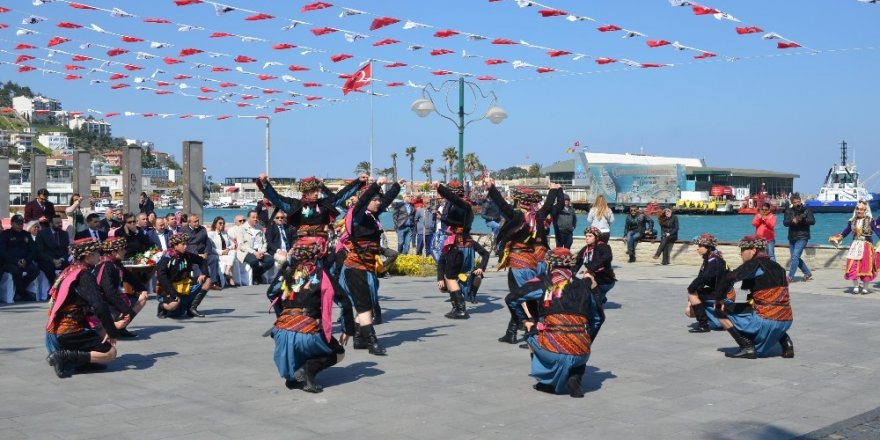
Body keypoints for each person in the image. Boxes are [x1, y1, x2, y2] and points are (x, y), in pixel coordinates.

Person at [270, 236, 357, 393]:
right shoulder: (320, 274)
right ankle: (307, 371)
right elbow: (344, 301)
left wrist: (281, 318)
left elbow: (271, 294)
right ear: (317, 254)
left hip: (280, 331)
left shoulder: (287, 270)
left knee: (298, 341)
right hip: (306, 332)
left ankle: (293, 377)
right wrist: (348, 329)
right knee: (337, 352)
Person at [520, 248, 605, 397]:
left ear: (550, 264)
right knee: (579, 341)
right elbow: (599, 318)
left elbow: (518, 298)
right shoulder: (583, 286)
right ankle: (575, 377)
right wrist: (588, 338)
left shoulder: (544, 283)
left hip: (553, 348)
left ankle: (546, 382)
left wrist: (527, 321)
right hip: (582, 352)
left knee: (532, 333)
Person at [487, 179, 562, 344]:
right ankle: (512, 332)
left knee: (518, 298)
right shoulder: (538, 216)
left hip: (518, 262)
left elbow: (502, 205)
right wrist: (554, 191)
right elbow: (548, 206)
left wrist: (491, 188)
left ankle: (531, 332)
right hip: (531, 260)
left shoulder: (518, 216)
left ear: (520, 201)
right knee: (527, 297)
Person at [337, 177, 401, 356]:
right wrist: (376, 185)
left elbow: (385, 200)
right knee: (365, 307)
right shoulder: (358, 215)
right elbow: (365, 200)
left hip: (367, 267)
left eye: (378, 199)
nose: (378, 202)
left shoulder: (372, 215)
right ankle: (372, 342)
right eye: (374, 199)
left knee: (367, 304)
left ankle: (359, 339)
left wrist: (397, 186)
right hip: (355, 268)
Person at [707, 236, 794, 359]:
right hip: (786, 320)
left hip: (767, 320)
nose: (740, 254)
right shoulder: (778, 267)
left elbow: (729, 278)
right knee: (771, 307)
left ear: (753, 250)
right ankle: (787, 344)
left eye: (742, 250)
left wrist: (719, 299)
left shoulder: (755, 264)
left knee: (720, 310)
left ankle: (747, 347)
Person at [45, 238, 120, 378]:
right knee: (110, 353)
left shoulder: (69, 270)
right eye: (97, 252)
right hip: (68, 331)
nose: (100, 255)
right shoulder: (84, 275)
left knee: (99, 331)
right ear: (88, 256)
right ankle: (64, 356)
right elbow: (99, 305)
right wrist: (112, 331)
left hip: (54, 330)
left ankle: (83, 362)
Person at [435, 181, 489, 317]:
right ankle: (457, 307)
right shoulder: (466, 206)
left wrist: (440, 188)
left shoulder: (461, 205)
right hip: (464, 241)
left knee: (450, 277)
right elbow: (458, 224)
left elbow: (456, 223)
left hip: (457, 244)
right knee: (450, 275)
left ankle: (460, 308)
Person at [94, 237, 148, 338]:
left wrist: (142, 289)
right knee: (125, 308)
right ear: (114, 252)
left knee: (142, 298)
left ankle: (121, 327)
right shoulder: (106, 265)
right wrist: (124, 309)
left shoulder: (115, 263)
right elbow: (109, 292)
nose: (125, 251)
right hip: (105, 304)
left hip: (112, 299)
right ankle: (113, 328)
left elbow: (129, 276)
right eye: (122, 249)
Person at [155, 233, 213, 319]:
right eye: (183, 244)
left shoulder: (187, 255)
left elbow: (201, 260)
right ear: (175, 246)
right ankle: (162, 307)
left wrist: (204, 274)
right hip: (169, 289)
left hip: (185, 285)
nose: (186, 246)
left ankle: (192, 308)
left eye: (186, 244)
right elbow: (162, 278)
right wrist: (173, 294)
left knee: (207, 281)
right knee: (174, 308)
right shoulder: (166, 258)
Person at [685, 234, 733, 333]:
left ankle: (703, 325)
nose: (697, 249)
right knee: (690, 310)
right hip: (721, 291)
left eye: (700, 246)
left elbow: (704, 278)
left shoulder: (714, 261)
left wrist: (691, 290)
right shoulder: (711, 258)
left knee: (692, 294)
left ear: (708, 247)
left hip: (724, 294)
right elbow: (701, 278)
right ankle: (714, 319)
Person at [829, 200, 878, 294]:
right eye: (857, 209)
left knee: (865, 266)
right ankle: (855, 286)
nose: (859, 211)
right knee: (852, 265)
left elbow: (877, 231)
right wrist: (837, 238)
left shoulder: (871, 221)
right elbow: (846, 232)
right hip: (855, 245)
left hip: (867, 246)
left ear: (865, 210)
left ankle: (865, 287)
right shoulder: (852, 221)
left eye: (861, 209)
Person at [0, 215, 39, 301]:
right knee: (16, 271)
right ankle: (22, 292)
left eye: (21, 224)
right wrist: (15, 261)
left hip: (25, 261)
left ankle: (19, 290)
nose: (20, 225)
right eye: (18, 224)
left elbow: (32, 250)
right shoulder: (5, 234)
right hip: (10, 262)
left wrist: (26, 260)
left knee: (35, 270)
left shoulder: (26, 234)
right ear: (12, 223)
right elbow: (3, 252)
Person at [574, 227, 616, 304]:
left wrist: (589, 268)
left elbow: (606, 258)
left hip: (603, 279)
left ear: (596, 237)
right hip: (592, 275)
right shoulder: (586, 248)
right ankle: (598, 297)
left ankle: (598, 297)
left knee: (594, 303)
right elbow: (578, 261)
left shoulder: (603, 247)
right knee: (575, 278)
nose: (587, 238)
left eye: (590, 236)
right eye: (586, 236)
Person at [234, 210, 274, 285]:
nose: (255, 219)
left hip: (259, 251)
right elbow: (241, 245)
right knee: (254, 261)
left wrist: (261, 251)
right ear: (248, 218)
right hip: (246, 251)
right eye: (253, 217)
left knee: (270, 261)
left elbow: (264, 242)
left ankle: (257, 275)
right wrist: (254, 252)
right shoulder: (242, 228)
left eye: (256, 217)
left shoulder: (260, 228)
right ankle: (256, 278)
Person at [183, 214, 222, 289]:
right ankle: (200, 283)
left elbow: (207, 243)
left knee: (214, 259)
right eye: (195, 222)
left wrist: (206, 253)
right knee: (197, 262)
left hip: (204, 253)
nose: (197, 223)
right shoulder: (184, 230)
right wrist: (197, 254)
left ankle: (213, 282)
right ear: (189, 222)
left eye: (198, 221)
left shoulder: (202, 229)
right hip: (192, 255)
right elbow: (185, 245)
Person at [782, 193, 815, 282]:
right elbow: (785, 223)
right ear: (792, 202)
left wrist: (802, 219)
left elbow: (812, 221)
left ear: (801, 201)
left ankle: (789, 277)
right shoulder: (789, 211)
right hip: (792, 237)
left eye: (799, 201)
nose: (797, 203)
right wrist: (792, 221)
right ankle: (807, 273)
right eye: (795, 202)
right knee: (795, 257)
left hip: (803, 236)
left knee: (795, 256)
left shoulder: (807, 210)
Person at [35, 217, 70, 286]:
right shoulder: (42, 234)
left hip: (61, 259)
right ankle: (54, 288)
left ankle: (66, 287)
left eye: (61, 223)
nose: (60, 224)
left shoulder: (64, 234)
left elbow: (67, 250)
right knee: (49, 269)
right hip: (47, 260)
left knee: (70, 267)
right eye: (57, 223)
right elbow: (40, 252)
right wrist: (53, 260)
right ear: (51, 224)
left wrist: (61, 259)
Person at [208, 217, 238, 288]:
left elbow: (233, 244)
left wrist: (228, 249)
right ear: (215, 224)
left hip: (226, 254)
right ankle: (230, 279)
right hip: (217, 255)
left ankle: (227, 271)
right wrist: (221, 252)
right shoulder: (211, 234)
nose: (222, 225)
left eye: (223, 223)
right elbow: (210, 248)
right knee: (232, 259)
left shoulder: (225, 234)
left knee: (233, 252)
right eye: (220, 223)